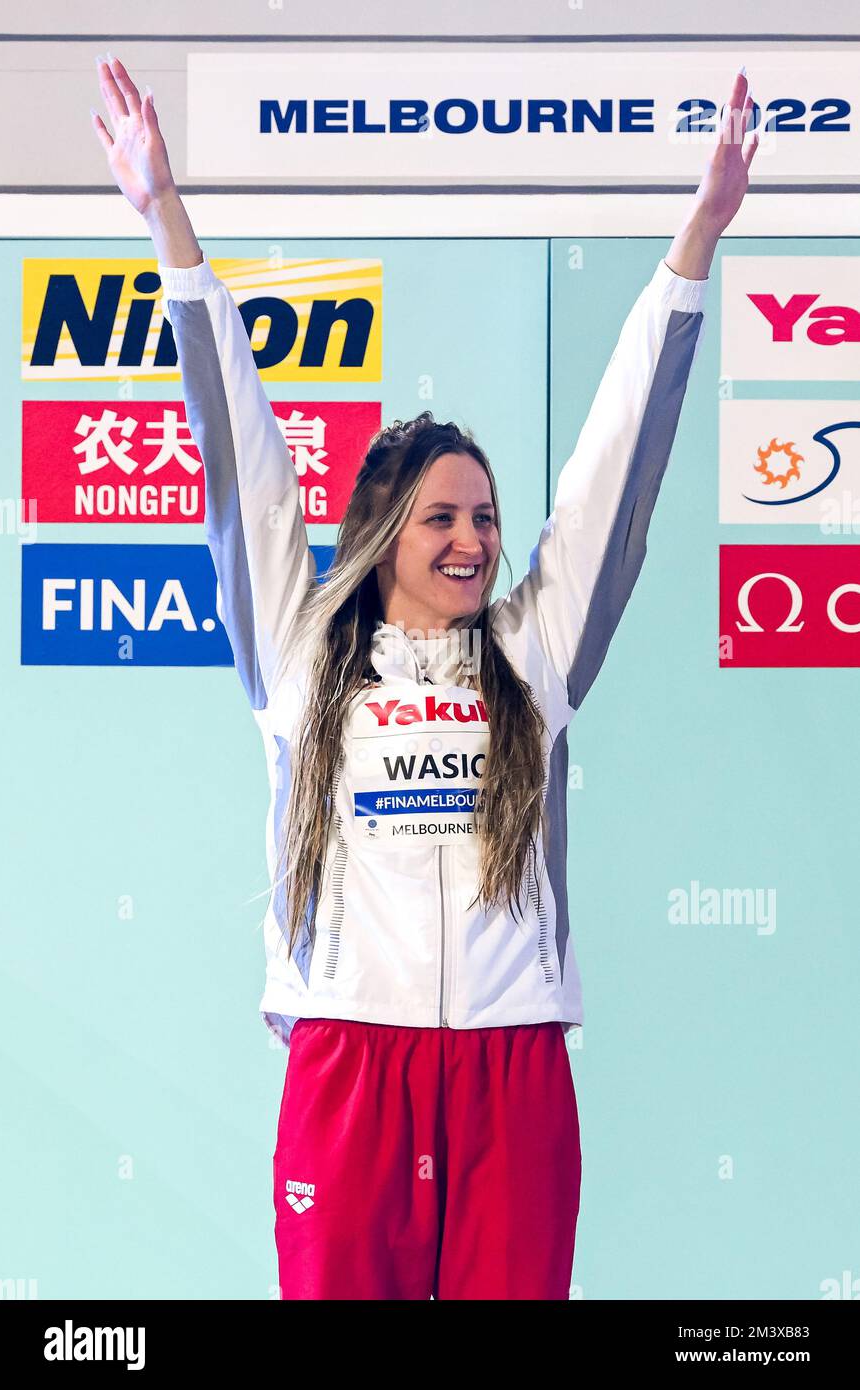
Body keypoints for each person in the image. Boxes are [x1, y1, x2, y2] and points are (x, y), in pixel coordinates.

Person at [91, 54, 758, 1301]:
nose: (473, 539)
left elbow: (617, 462)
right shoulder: (297, 647)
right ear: (382, 528)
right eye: (443, 516)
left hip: (510, 1067)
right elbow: (238, 449)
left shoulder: (530, 652)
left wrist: (697, 238)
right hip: (349, 1059)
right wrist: (164, 222)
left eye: (486, 517)